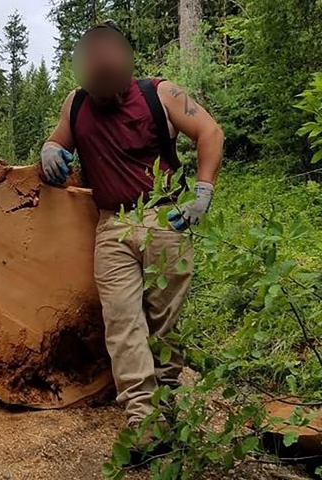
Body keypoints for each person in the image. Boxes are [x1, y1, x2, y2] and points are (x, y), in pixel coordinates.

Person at [41, 21, 224, 444]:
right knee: (122, 324)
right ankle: (144, 425)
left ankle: (169, 404)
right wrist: (50, 151)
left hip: (166, 219)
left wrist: (201, 193)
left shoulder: (160, 94)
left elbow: (209, 132)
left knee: (163, 324)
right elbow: (56, 141)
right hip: (111, 224)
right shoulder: (76, 104)